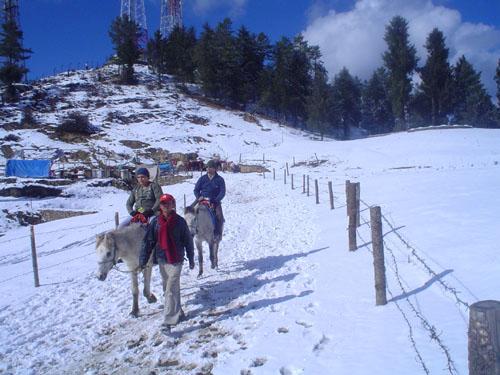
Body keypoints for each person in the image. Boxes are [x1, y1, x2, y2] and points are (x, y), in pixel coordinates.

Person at [139, 194, 195, 333]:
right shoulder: (155, 223)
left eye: (168, 203)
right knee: (168, 289)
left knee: (170, 289)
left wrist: (191, 257)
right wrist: (143, 260)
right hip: (162, 259)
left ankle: (168, 322)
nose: (165, 206)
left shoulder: (180, 222)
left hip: (176, 259)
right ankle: (179, 312)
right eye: (163, 204)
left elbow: (188, 241)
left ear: (173, 205)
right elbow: (148, 242)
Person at [193, 159, 226, 240]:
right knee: (190, 211)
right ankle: (191, 231)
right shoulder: (202, 179)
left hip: (214, 201)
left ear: (215, 169)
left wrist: (216, 200)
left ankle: (217, 234)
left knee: (219, 217)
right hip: (202, 199)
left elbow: (222, 192)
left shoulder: (220, 179)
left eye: (210, 167)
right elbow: (196, 190)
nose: (208, 169)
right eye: (207, 167)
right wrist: (198, 196)